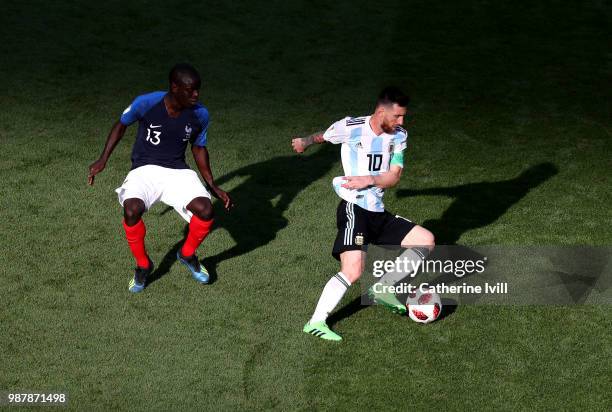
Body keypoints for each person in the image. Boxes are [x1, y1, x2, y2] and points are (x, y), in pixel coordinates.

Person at [292, 87, 435, 341]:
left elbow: (394, 176)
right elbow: (325, 136)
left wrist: (368, 179)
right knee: (353, 270)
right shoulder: (351, 126)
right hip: (354, 209)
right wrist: (305, 141)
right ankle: (316, 322)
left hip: (378, 212)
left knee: (426, 241)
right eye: (397, 116)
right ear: (381, 112)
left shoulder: (399, 135)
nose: (401, 122)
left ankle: (383, 289)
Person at [88, 63, 233, 293]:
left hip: (177, 171)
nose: (196, 95)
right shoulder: (146, 102)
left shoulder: (200, 114)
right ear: (174, 87)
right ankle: (143, 266)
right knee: (132, 209)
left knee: (206, 210)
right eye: (190, 90)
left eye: (198, 89)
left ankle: (186, 254)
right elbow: (121, 125)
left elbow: (198, 148)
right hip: (144, 170)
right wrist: (103, 159)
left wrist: (212, 185)